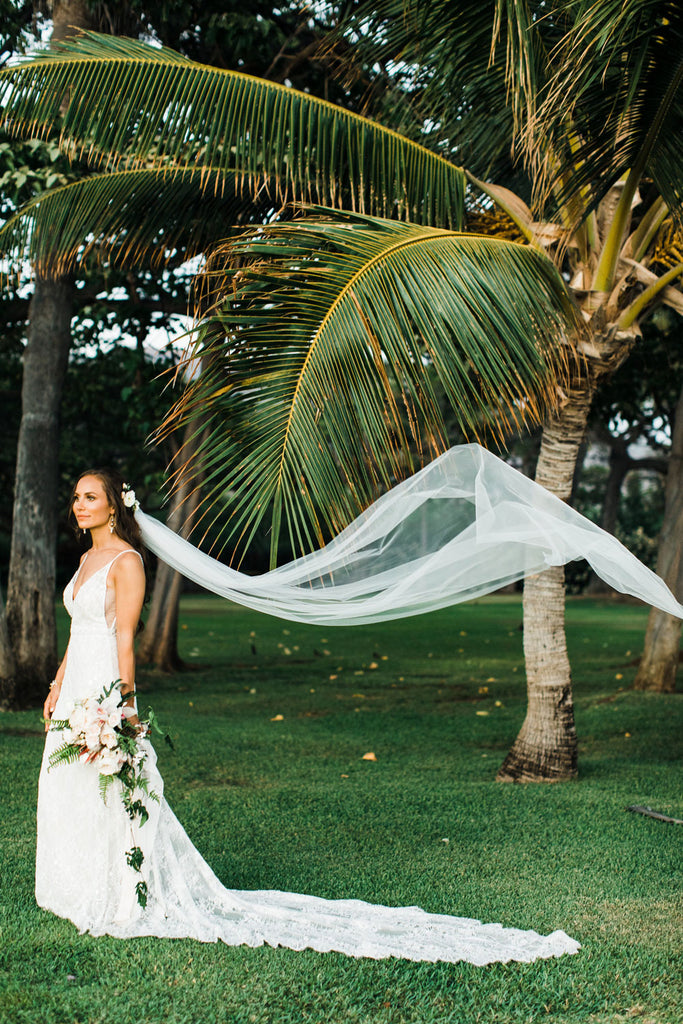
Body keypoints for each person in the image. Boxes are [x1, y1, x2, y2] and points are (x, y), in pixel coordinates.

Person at [37, 466, 580, 964]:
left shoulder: (127, 563)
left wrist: (124, 708)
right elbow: (80, 631)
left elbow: (124, 641)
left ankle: (115, 889)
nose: (79, 505)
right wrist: (59, 682)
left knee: (112, 783)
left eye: (91, 497)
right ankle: (73, 881)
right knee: (71, 779)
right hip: (76, 684)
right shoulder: (85, 559)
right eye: (76, 497)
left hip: (105, 685)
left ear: (115, 507)